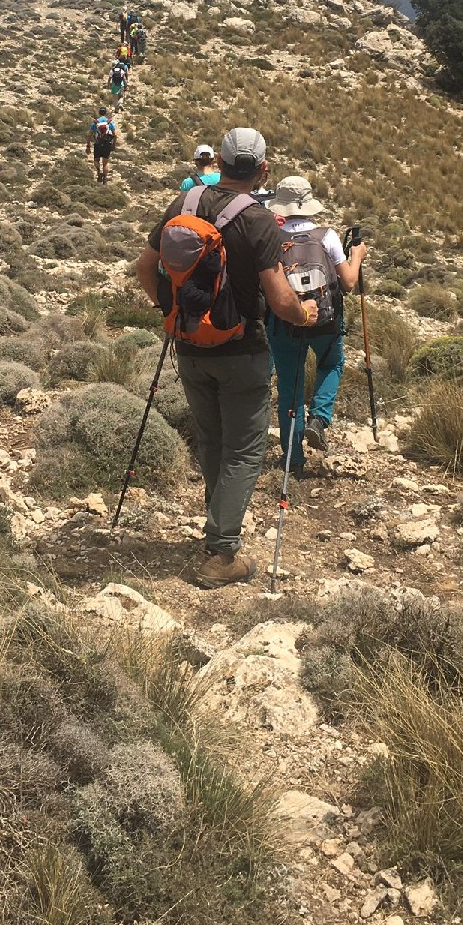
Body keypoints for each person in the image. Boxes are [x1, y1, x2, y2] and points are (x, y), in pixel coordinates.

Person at [135, 128, 318, 589]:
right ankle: (222, 552)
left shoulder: (185, 202)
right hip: (241, 350)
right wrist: (304, 313)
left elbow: (144, 266)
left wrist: (171, 310)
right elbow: (280, 300)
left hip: (189, 346)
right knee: (244, 449)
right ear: (263, 170)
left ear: (218, 161)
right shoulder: (258, 219)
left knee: (212, 439)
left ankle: (216, 526)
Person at [263, 175, 367, 474]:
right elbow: (348, 283)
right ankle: (319, 418)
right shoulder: (327, 236)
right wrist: (357, 256)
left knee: (289, 389)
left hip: (285, 324)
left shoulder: (271, 239)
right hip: (325, 323)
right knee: (331, 364)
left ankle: (293, 459)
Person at [87, 107, 116, 183]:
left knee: (96, 160)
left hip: (98, 144)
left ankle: (98, 172)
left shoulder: (96, 122)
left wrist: (88, 145)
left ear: (99, 113)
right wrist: (113, 145)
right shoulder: (109, 122)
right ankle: (105, 178)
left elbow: (89, 134)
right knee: (105, 163)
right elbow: (115, 135)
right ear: (106, 113)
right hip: (107, 144)